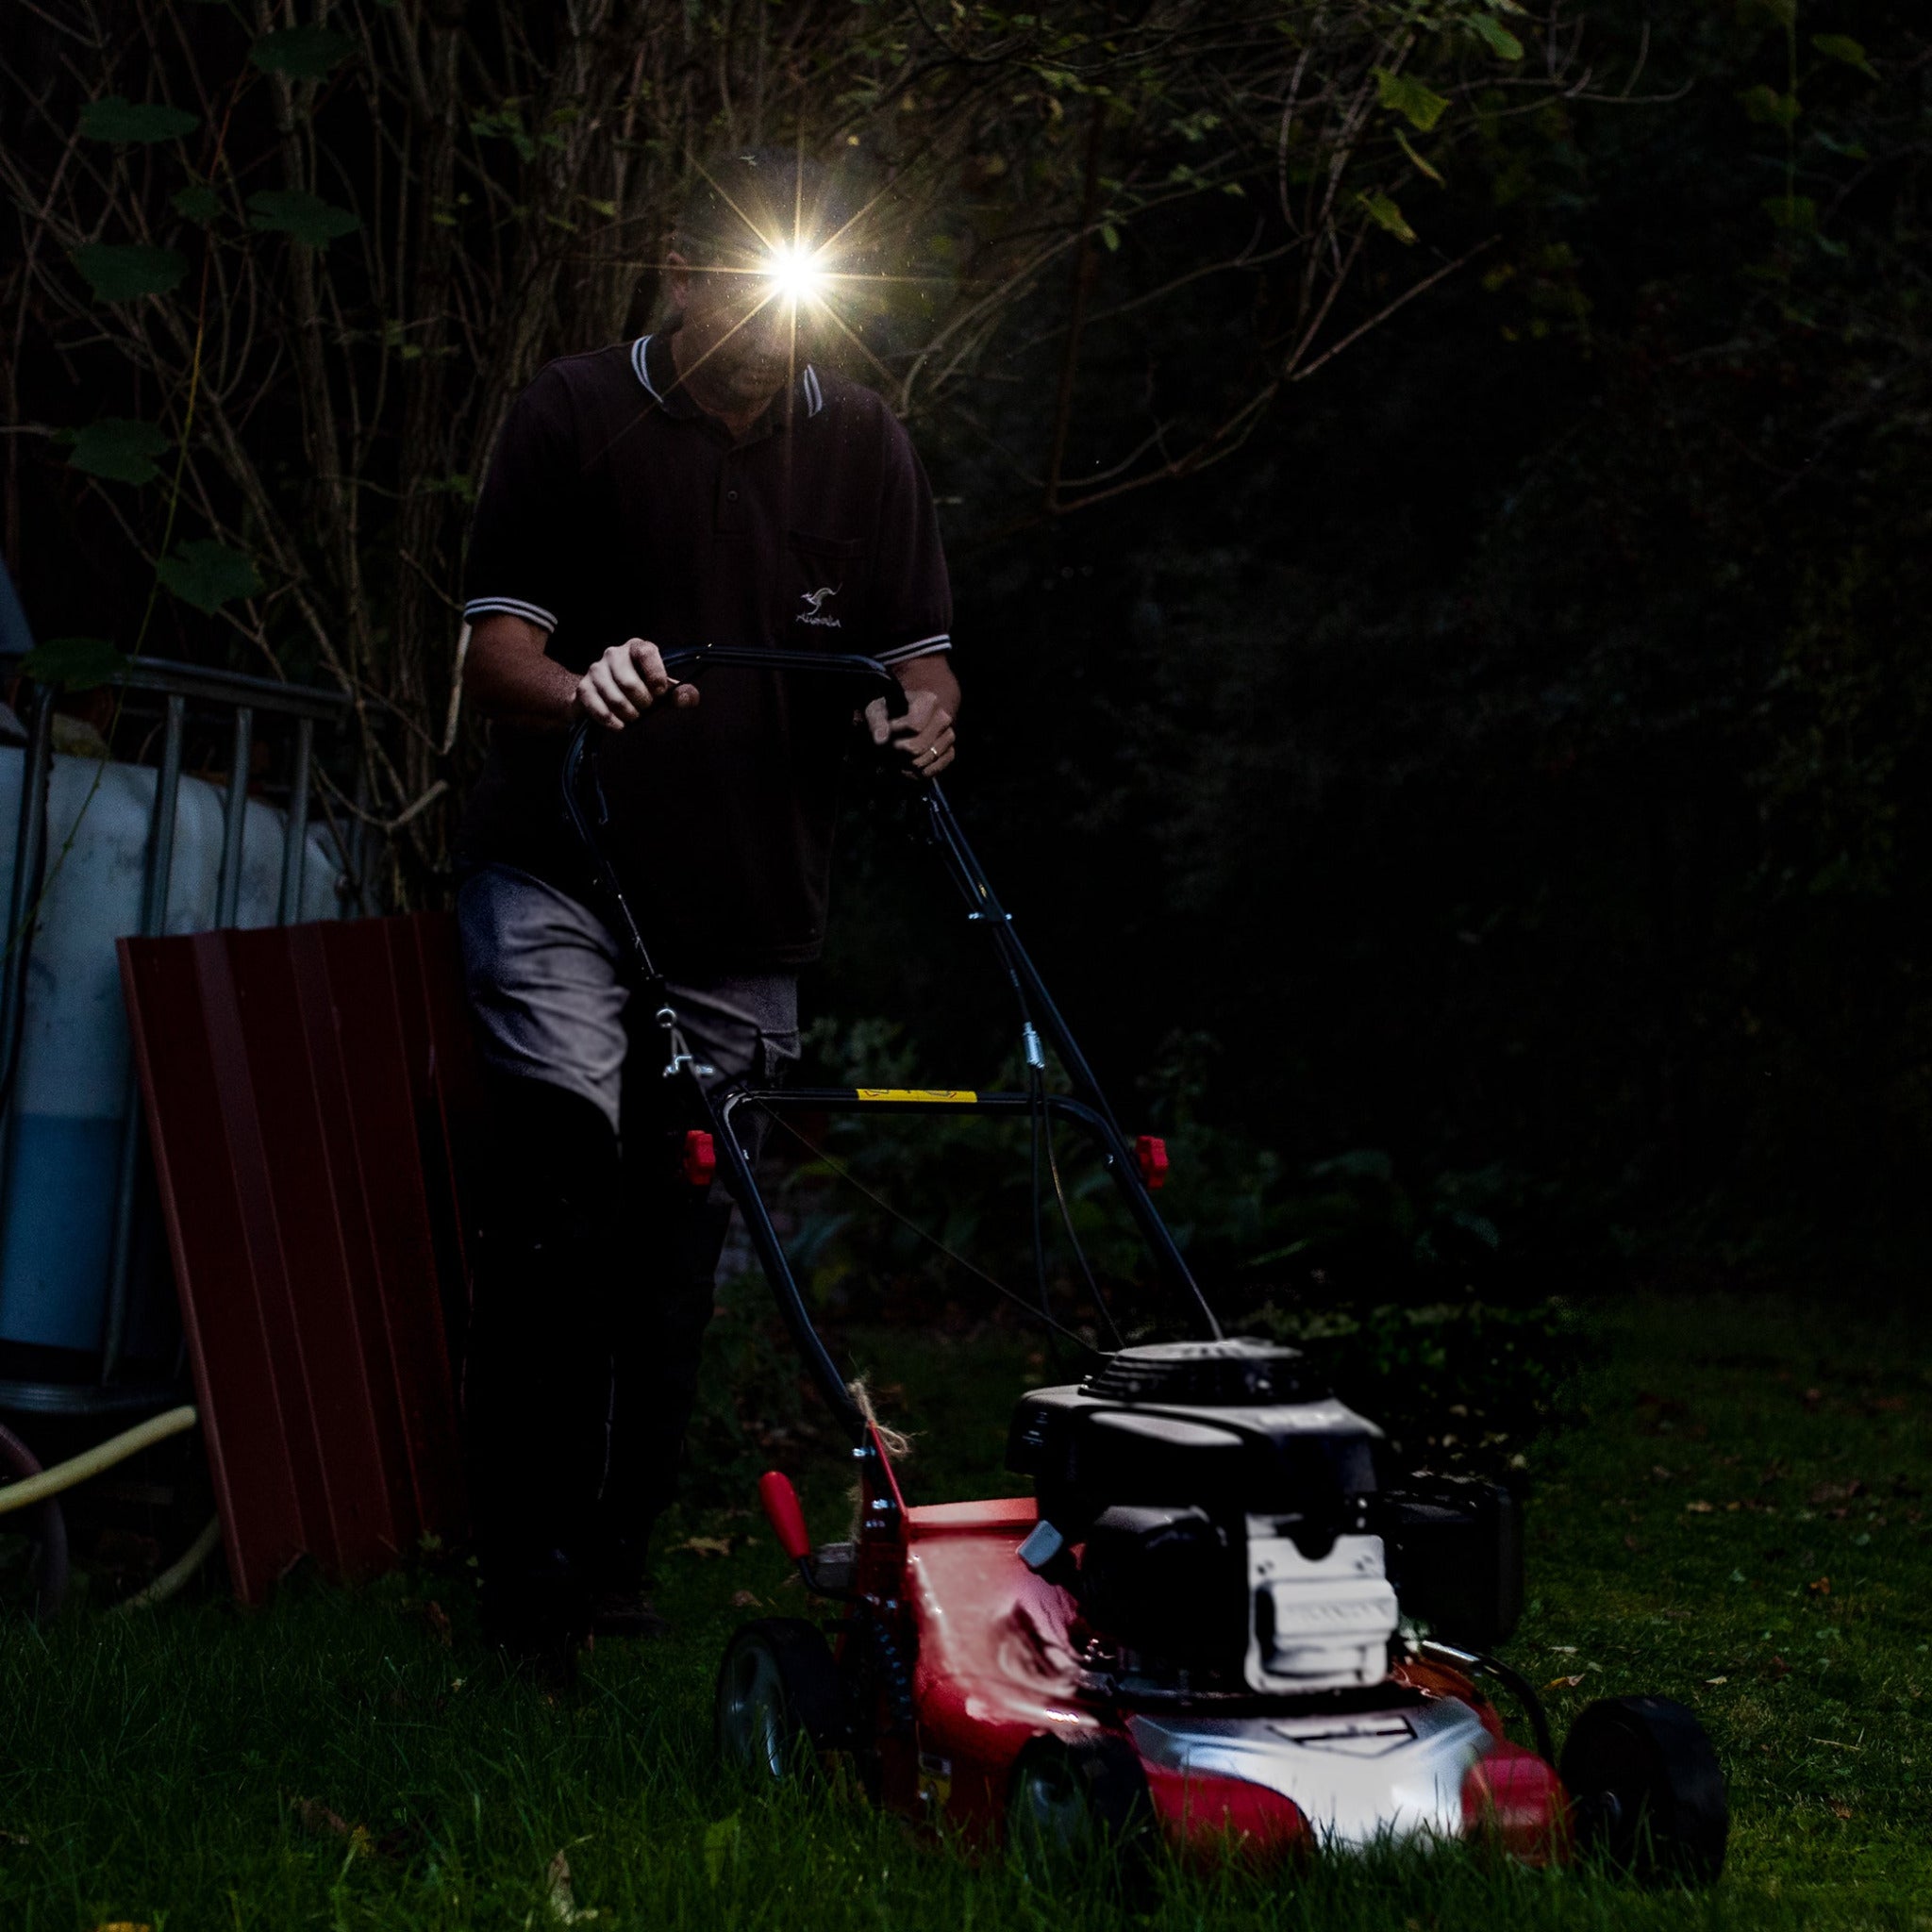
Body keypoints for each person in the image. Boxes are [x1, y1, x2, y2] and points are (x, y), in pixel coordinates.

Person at [453, 151, 959, 1668]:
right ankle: (522, 1576)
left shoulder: (864, 444)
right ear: (677, 276)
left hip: (746, 910)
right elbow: (496, 658)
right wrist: (582, 683)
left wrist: (919, 717)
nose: (764, 332)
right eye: (738, 294)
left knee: (676, 1244)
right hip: (561, 872)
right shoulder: (573, 412)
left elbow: (922, 659)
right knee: (555, 1202)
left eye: (796, 302)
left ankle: (616, 1564)